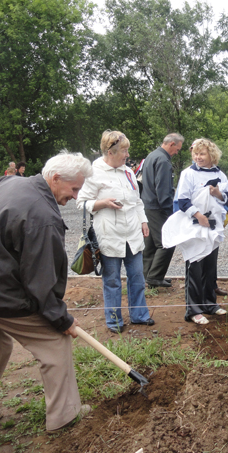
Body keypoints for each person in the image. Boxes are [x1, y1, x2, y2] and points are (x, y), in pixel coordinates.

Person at [0, 151, 93, 438]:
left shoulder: (12, 182)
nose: (76, 196)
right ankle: (65, 415)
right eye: (74, 189)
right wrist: (62, 320)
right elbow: (41, 282)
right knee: (54, 342)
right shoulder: (43, 217)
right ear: (56, 178)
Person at [77, 130, 154, 334]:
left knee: (137, 276)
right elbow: (81, 202)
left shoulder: (128, 171)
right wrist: (102, 203)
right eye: (124, 151)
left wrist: (143, 221)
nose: (127, 155)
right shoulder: (94, 172)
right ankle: (114, 321)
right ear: (110, 152)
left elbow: (137, 201)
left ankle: (139, 315)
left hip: (132, 234)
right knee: (111, 281)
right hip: (109, 235)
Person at [171, 138, 228, 325]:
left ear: (212, 155)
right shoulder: (188, 174)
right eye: (195, 153)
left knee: (209, 265)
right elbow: (182, 200)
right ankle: (193, 310)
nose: (198, 157)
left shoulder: (220, 174)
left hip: (212, 226)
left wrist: (217, 193)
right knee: (195, 266)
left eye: (202, 153)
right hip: (194, 225)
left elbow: (227, 197)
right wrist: (198, 216)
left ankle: (209, 304)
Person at [141, 133, 184, 288]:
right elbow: (163, 189)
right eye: (177, 149)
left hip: (148, 205)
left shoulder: (151, 156)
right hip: (159, 208)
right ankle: (155, 277)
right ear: (171, 144)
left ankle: (146, 276)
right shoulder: (163, 161)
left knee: (151, 244)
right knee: (167, 242)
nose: (176, 152)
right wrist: (170, 210)